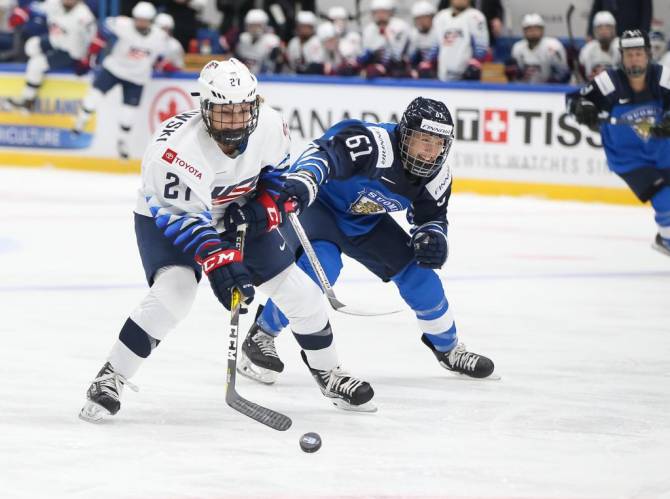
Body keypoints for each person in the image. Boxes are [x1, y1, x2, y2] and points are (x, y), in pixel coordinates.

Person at [79, 58, 375, 423]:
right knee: (175, 294)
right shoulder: (173, 152)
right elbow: (185, 220)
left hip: (237, 212)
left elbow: (275, 178)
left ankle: (330, 374)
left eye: (242, 110)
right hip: (171, 218)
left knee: (302, 294)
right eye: (224, 112)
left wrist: (260, 210)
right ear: (204, 107)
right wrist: (220, 262)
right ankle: (111, 376)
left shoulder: (270, 125)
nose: (235, 121)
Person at [223, 97, 496, 385]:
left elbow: (432, 218)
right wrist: (305, 180)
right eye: (424, 140)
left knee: (420, 275)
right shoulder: (374, 144)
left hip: (363, 223)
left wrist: (433, 238)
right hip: (317, 210)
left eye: (439, 143)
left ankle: (448, 349)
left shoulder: (437, 177)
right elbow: (323, 153)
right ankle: (262, 334)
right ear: (405, 134)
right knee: (321, 269)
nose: (431, 151)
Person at [567, 30, 670, 256]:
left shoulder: (662, 76)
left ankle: (664, 236)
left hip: (662, 150)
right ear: (621, 56)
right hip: (628, 158)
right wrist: (581, 108)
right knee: (664, 196)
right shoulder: (609, 82)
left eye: (639, 53)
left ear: (648, 54)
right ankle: (667, 239)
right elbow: (574, 99)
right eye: (629, 54)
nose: (634, 59)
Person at [71, 2, 168, 160]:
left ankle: (123, 141)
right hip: (114, 69)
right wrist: (92, 52)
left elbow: (161, 57)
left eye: (144, 20)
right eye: (138, 19)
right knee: (92, 98)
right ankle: (80, 121)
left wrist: (162, 65)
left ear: (151, 21)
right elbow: (103, 30)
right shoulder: (123, 24)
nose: (140, 23)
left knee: (128, 114)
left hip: (137, 77)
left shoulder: (159, 36)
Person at [3, 0, 95, 111]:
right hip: (56, 41)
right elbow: (34, 8)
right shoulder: (54, 3)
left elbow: (92, 40)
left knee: (36, 64)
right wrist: (22, 13)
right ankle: (39, 71)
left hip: (72, 51)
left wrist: (86, 59)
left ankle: (27, 100)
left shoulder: (84, 16)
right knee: (31, 46)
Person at [432, 0, 489, 81]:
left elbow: (482, 46)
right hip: (443, 73)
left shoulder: (476, 16)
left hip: (467, 75)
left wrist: (475, 63)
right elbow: (435, 45)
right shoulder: (440, 17)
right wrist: (430, 63)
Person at [507, 13, 569, 84]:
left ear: (542, 30)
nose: (533, 32)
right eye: (529, 29)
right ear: (524, 31)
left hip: (549, 88)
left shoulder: (553, 46)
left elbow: (563, 73)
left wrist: (549, 84)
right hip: (524, 88)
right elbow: (515, 75)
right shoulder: (517, 47)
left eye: (536, 28)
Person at [359, 0, 411, 78]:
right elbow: (366, 52)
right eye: (377, 12)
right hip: (377, 64)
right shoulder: (368, 29)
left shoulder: (400, 26)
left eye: (383, 12)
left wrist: (388, 37)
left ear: (390, 13)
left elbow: (398, 55)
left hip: (397, 65)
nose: (380, 15)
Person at [234, 8, 282, 75]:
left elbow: (277, 63)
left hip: (265, 78)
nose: (254, 29)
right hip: (246, 77)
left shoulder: (271, 41)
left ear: (264, 25)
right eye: (251, 26)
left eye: (257, 26)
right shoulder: (243, 39)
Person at [579, 11, 620, 80]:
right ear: (594, 30)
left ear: (614, 29)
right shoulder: (587, 49)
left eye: (608, 27)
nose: (604, 31)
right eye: (600, 28)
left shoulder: (622, 47)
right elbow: (585, 76)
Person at [587, 0, 652, 38]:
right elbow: (595, 10)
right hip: (608, 35)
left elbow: (646, 12)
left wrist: (643, 33)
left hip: (632, 34)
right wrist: (590, 33)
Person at [408, 0, 438, 79]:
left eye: (425, 18)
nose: (421, 21)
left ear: (432, 18)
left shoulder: (439, 33)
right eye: (418, 18)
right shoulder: (412, 34)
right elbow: (411, 58)